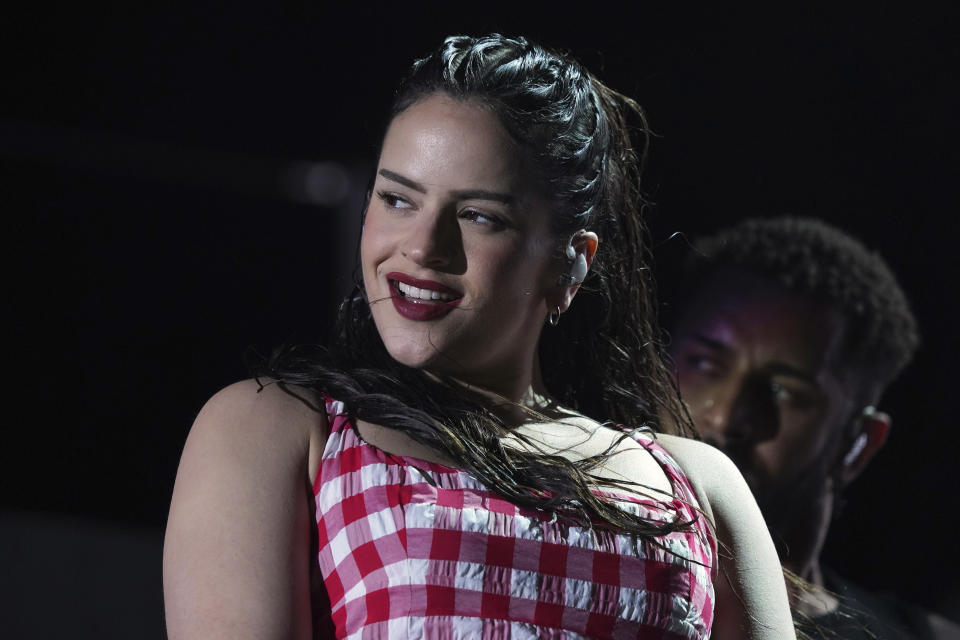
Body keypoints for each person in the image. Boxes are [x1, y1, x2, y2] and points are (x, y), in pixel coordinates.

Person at [163, 35, 795, 639]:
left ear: (571, 262)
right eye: (397, 199)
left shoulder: (698, 488)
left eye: (478, 216)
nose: (421, 247)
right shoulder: (281, 433)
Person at [668, 217, 957, 638]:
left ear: (858, 445)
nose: (726, 417)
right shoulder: (581, 586)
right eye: (706, 365)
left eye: (785, 392)